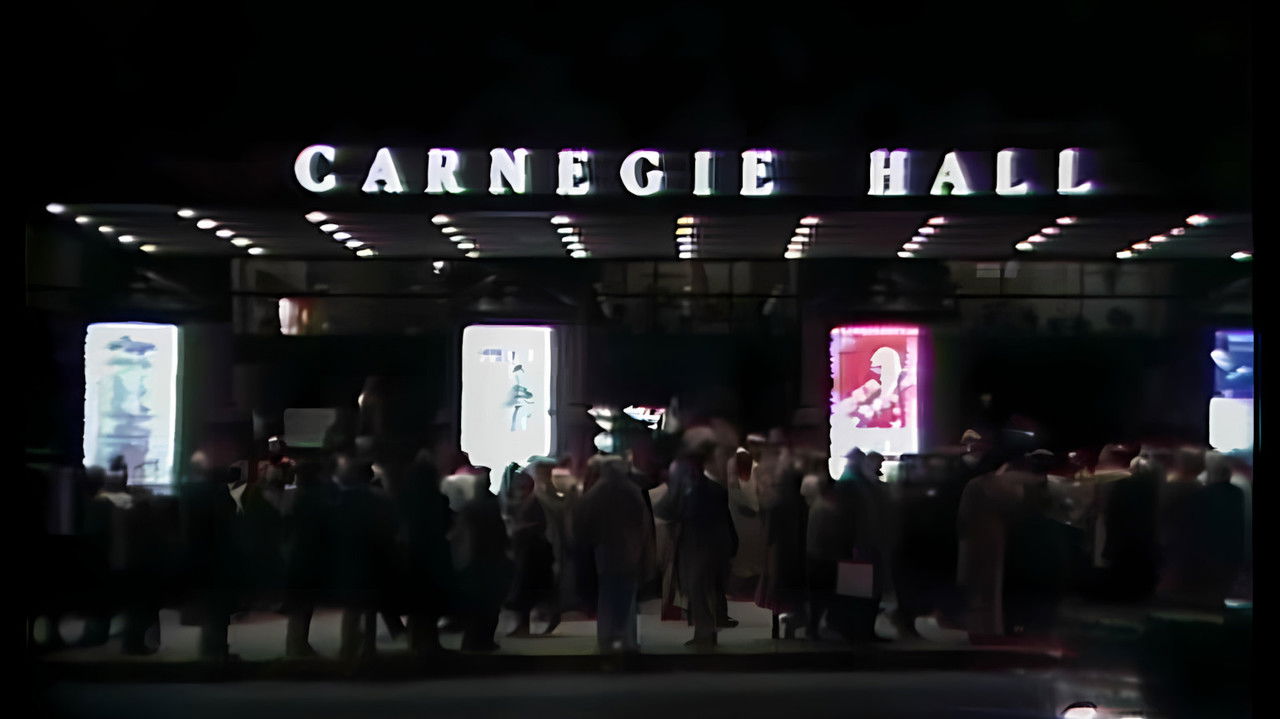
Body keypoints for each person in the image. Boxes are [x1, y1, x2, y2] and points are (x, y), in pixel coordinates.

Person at [654, 441, 737, 649]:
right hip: (716, 544)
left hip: (697, 545)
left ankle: (704, 631)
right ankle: (708, 629)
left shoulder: (690, 491)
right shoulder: (715, 488)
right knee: (708, 588)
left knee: (697, 589)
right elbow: (726, 519)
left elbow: (668, 511)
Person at [575, 456, 656, 653]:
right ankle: (626, 639)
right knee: (627, 598)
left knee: (608, 597)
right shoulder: (632, 491)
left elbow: (582, 521)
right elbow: (644, 525)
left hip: (605, 553)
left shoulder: (597, 492)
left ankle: (607, 638)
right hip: (630, 552)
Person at [332, 459, 399, 663]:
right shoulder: (380, 498)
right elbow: (390, 528)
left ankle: (348, 649)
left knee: (352, 609)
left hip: (350, 558)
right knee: (370, 608)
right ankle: (368, 650)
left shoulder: (342, 499)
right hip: (374, 557)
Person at [179, 457, 245, 661]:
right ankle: (215, 652)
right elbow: (228, 526)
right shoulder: (218, 493)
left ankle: (211, 650)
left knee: (209, 607)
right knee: (217, 610)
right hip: (216, 558)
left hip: (196, 556)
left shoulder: (187, 491)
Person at [399, 450, 456, 656]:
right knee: (430, 605)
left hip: (413, 556)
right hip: (434, 555)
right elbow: (448, 523)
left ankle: (415, 644)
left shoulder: (406, 499)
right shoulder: (437, 500)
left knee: (417, 605)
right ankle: (429, 644)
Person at [450, 467, 512, 652]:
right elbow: (501, 533)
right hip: (492, 559)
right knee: (491, 607)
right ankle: (484, 640)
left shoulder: (469, 508)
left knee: (476, 606)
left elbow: (461, 536)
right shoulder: (493, 506)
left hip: (475, 560)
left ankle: (472, 641)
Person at [282, 460, 336, 659]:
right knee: (304, 605)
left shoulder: (294, 496)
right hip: (308, 555)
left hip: (296, 555)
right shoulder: (315, 498)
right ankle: (298, 646)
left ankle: (295, 646)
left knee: (299, 605)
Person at [756, 451, 809, 638]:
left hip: (778, 552)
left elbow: (769, 534)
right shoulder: (802, 504)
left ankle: (776, 628)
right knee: (793, 592)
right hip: (796, 553)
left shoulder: (776, 504)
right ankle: (791, 626)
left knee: (776, 592)